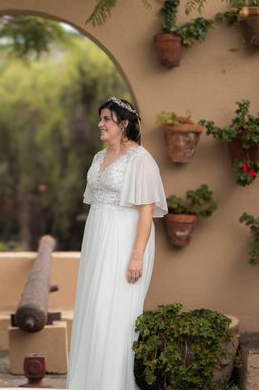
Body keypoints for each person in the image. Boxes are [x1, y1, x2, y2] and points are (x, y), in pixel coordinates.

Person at [67, 96, 167, 390]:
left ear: (124, 124)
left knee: (116, 317)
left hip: (125, 242)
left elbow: (146, 210)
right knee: (93, 310)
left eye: (106, 119)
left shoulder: (141, 159)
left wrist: (136, 256)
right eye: (100, 118)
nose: (100, 124)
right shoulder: (99, 157)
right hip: (98, 239)